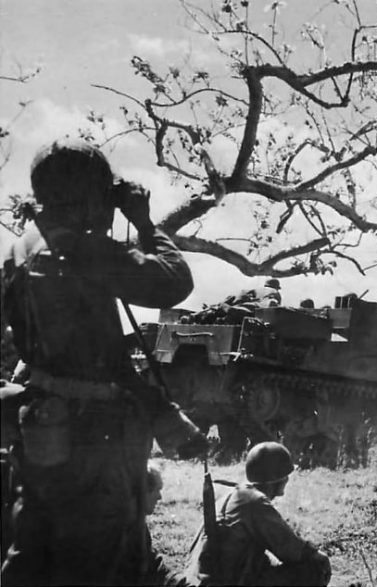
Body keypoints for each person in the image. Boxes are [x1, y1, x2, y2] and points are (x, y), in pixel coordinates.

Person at [0, 139, 207, 586]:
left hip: (41, 435)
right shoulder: (80, 250)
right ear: (89, 195)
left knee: (34, 555)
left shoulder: (18, 252)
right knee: (104, 561)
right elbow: (173, 283)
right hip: (96, 443)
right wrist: (146, 223)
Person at [183, 441, 331, 586]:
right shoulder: (254, 502)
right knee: (314, 568)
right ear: (278, 478)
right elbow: (292, 550)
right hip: (222, 580)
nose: (287, 479)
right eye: (285, 475)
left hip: (198, 579)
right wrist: (319, 556)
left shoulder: (234, 495)